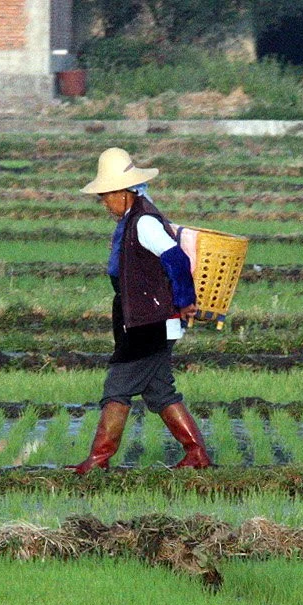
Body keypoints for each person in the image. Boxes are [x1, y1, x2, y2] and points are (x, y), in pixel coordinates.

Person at [70, 147, 211, 473]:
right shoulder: (132, 220)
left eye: (106, 195)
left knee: (117, 387)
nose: (104, 202)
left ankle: (98, 460)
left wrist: (184, 299)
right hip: (150, 320)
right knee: (159, 391)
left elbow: (176, 259)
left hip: (153, 321)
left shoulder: (144, 222)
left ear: (123, 192)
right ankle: (197, 455)